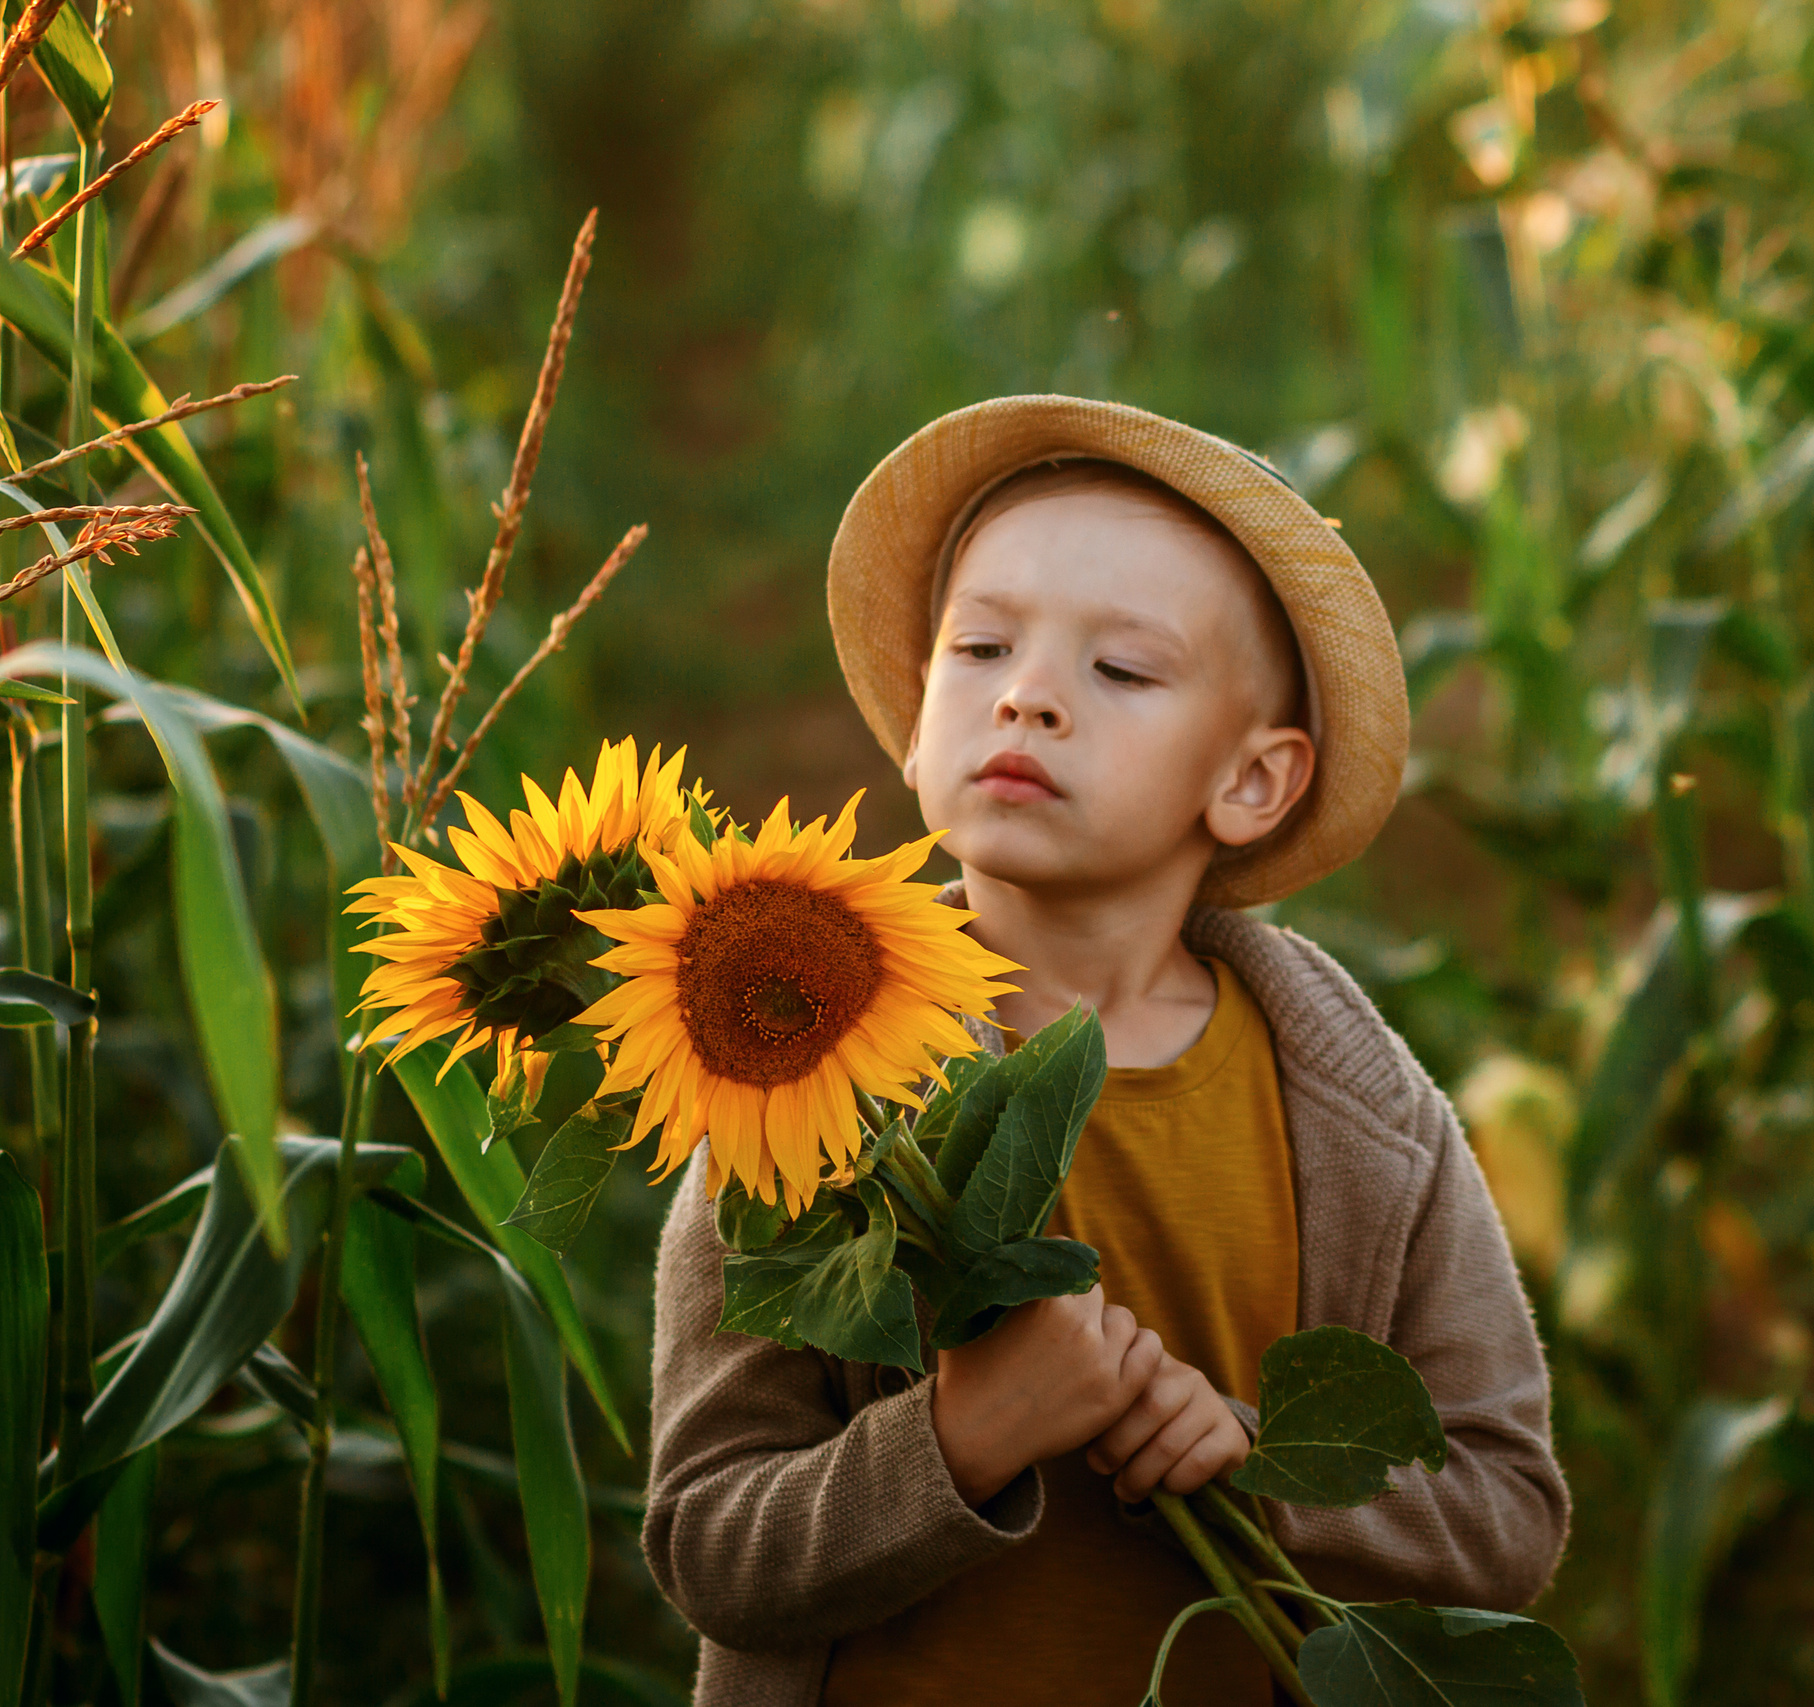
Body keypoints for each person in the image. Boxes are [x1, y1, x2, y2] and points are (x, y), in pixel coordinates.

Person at [641, 395, 1568, 1706]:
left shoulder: (1363, 1120)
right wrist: (960, 1440)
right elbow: (710, 1540)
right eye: (978, 648)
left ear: (1252, 780)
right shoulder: (803, 1076)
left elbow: (1506, 1509)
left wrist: (1260, 1460)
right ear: (915, 721)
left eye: (1120, 671)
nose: (1027, 696)